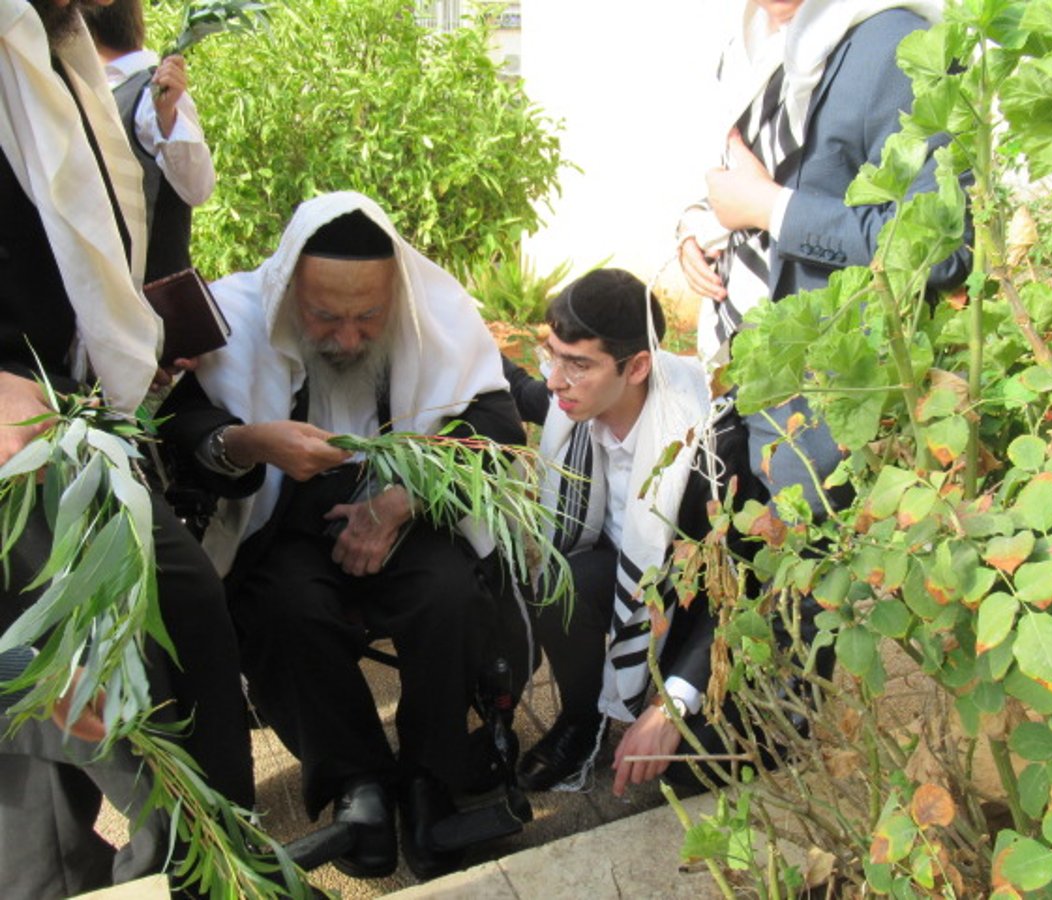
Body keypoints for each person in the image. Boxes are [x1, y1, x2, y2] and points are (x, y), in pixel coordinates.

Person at [163, 191, 528, 880]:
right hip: (279, 520)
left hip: (409, 509)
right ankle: (357, 784)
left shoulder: (437, 311)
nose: (349, 339)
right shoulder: (233, 316)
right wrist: (248, 442)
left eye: (369, 318)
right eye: (324, 317)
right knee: (281, 610)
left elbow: (500, 427)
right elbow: (178, 426)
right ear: (285, 292)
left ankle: (431, 780)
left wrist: (401, 501)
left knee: (449, 594)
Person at [0, 0, 258, 896]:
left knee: (180, 627)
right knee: (76, 700)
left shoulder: (53, 46)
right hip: (14, 427)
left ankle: (213, 875)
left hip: (71, 413)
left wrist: (115, 349)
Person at [677, 0, 971, 514]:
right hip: (752, 373)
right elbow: (760, 173)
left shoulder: (899, 45)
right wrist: (699, 225)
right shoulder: (748, 44)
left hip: (846, 405)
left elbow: (941, 247)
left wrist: (771, 211)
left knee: (827, 574)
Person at [504, 268, 765, 796]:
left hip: (696, 614)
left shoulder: (712, 444)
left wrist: (671, 705)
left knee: (691, 770)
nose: (555, 380)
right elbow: (523, 390)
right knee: (565, 580)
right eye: (552, 354)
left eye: (577, 364)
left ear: (638, 366)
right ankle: (581, 722)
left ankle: (671, 699)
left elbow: (738, 590)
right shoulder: (576, 407)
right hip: (624, 590)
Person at [85, 0, 215, 282]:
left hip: (155, 298)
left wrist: (167, 117)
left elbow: (198, 188)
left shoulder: (150, 95)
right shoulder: (96, 92)